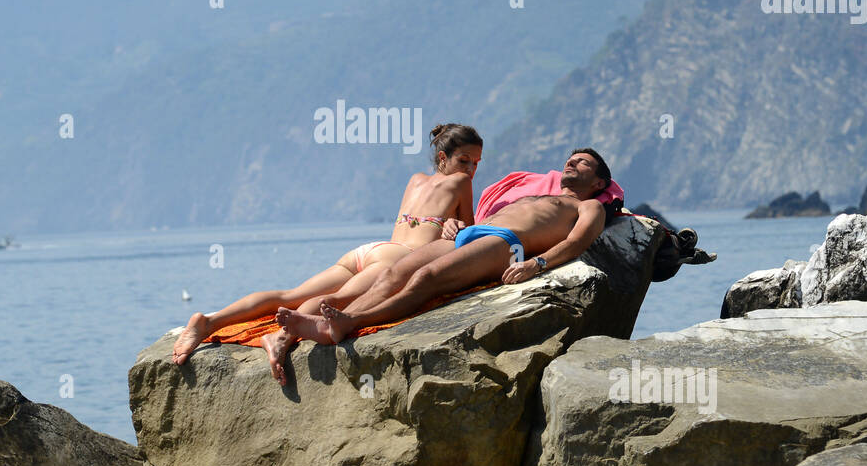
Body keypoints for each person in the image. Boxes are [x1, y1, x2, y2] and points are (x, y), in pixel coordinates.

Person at [172, 124, 483, 379]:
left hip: (369, 250)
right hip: (397, 258)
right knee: (333, 303)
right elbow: (468, 238)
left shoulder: (416, 180)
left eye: (476, 164)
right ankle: (281, 337)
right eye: (464, 160)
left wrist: (448, 222)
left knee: (289, 295)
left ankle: (209, 321)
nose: (470, 170)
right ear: (443, 158)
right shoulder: (460, 183)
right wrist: (455, 224)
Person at [276, 148, 612, 346]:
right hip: (475, 233)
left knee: (426, 277)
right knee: (393, 273)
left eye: (582, 162)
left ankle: (352, 320)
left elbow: (575, 242)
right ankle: (335, 322)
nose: (571, 163)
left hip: (506, 245)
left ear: (598, 183)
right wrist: (458, 225)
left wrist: (535, 264)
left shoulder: (588, 207)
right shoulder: (541, 195)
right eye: (571, 159)